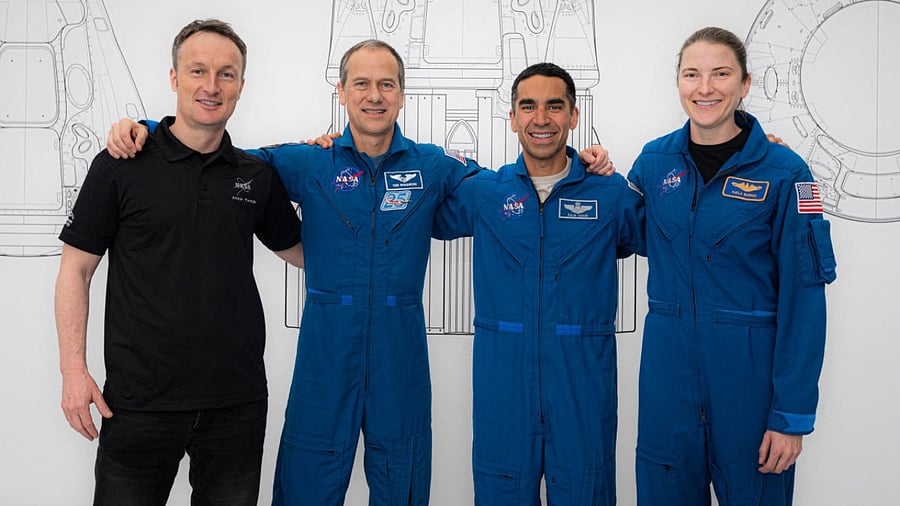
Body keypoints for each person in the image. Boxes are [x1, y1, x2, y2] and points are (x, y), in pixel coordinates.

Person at [105, 39, 613, 505]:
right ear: (342, 92)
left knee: (403, 483)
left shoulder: (434, 168)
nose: (375, 96)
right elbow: (220, 157)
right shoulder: (309, 162)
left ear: (402, 95)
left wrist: (580, 164)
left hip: (401, 356)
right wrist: (150, 131)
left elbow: (517, 187)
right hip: (326, 351)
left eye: (386, 84)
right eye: (362, 84)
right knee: (306, 483)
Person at [54, 19, 303, 505]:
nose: (211, 86)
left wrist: (339, 166)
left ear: (241, 86)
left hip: (236, 404)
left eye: (226, 74)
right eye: (198, 71)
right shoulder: (120, 164)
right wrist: (72, 371)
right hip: (137, 404)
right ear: (174, 78)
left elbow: (303, 254)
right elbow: (75, 270)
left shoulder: (255, 176)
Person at [626, 26, 836, 505]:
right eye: (692, 74)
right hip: (667, 383)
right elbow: (619, 232)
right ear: (678, 82)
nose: (705, 88)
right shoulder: (654, 163)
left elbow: (805, 298)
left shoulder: (786, 173)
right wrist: (586, 168)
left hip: (749, 387)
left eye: (721, 74)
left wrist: (791, 417)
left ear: (745, 84)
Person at [431, 62, 645, 505]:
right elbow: (409, 198)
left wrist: (744, 148)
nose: (541, 118)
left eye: (554, 106)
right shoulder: (485, 193)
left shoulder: (609, 195)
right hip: (503, 387)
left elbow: (678, 227)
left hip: (583, 389)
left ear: (573, 115)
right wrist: (338, 149)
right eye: (528, 106)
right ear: (511, 117)